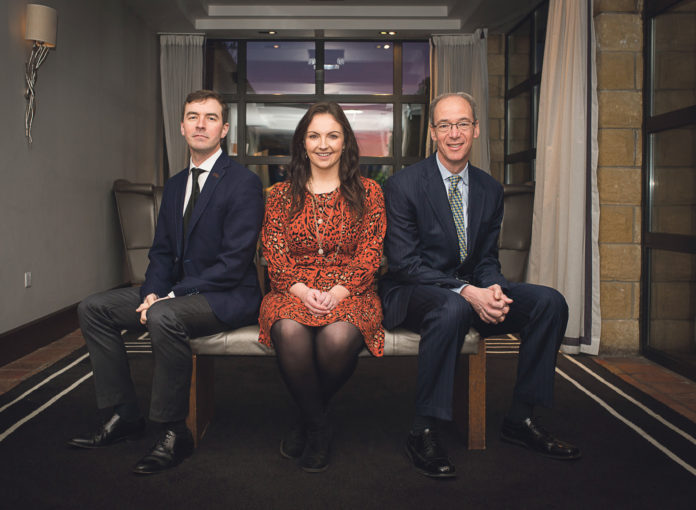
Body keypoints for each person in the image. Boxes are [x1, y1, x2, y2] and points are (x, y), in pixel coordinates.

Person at [379, 92, 580, 479]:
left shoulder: (489, 189)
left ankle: (520, 419)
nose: (454, 133)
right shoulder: (404, 186)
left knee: (548, 302)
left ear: (474, 130)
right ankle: (423, 429)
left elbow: (486, 258)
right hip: (411, 291)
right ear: (433, 134)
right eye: (444, 125)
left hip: (469, 290)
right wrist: (466, 292)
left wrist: (494, 291)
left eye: (462, 124)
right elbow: (404, 263)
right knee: (452, 306)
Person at [69, 90, 264, 475]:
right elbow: (160, 253)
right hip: (175, 293)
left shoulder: (243, 183)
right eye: (193, 116)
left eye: (210, 118)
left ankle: (174, 431)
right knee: (93, 309)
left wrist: (168, 298)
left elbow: (234, 262)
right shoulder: (175, 185)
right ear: (181, 127)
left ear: (224, 129)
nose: (201, 124)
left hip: (226, 296)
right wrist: (152, 292)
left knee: (164, 317)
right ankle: (125, 415)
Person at [258, 102, 386, 473]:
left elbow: (370, 254)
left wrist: (338, 293)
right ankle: (319, 426)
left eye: (332, 135)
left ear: (345, 142)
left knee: (336, 339)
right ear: (302, 143)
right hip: (291, 289)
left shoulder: (369, 192)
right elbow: (275, 255)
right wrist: (301, 291)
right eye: (314, 136)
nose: (323, 144)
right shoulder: (280, 195)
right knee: (289, 329)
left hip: (352, 292)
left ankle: (305, 419)